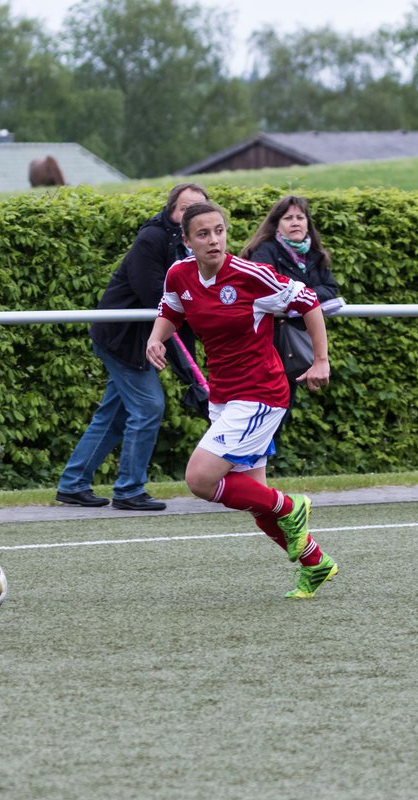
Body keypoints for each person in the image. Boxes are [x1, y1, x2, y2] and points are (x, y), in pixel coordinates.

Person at [145, 201, 338, 599]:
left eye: (219, 231)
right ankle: (315, 563)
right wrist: (155, 337)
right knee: (255, 504)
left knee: (200, 479)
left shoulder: (251, 275)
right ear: (187, 241)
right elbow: (172, 308)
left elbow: (308, 301)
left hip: (261, 395)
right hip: (226, 397)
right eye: (203, 233)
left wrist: (321, 360)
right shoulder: (180, 275)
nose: (214, 239)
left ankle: (290, 505)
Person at [55, 182, 210, 512]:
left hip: (141, 339)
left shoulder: (196, 245)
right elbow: (154, 294)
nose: (191, 214)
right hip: (122, 338)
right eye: (185, 208)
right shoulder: (152, 239)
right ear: (172, 211)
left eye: (198, 208)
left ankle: (73, 484)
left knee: (114, 414)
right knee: (148, 407)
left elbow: (184, 309)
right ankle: (128, 489)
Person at [242, 194, 344, 441]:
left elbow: (330, 288)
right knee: (265, 409)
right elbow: (266, 288)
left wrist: (300, 296)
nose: (296, 222)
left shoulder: (315, 256)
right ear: (277, 224)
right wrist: (305, 297)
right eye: (288, 218)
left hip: (295, 347)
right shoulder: (264, 251)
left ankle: (259, 468)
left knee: (282, 407)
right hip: (265, 343)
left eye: (300, 217)